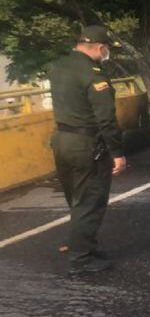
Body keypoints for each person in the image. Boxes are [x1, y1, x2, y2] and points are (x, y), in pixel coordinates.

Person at [47, 26, 127, 275]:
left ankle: (85, 246)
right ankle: (81, 259)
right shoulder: (94, 75)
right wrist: (117, 152)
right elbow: (105, 119)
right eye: (107, 50)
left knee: (76, 199)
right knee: (90, 201)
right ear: (102, 48)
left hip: (61, 140)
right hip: (86, 144)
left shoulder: (57, 67)